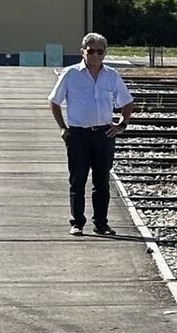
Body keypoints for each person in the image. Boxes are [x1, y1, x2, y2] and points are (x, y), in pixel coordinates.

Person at [48, 33, 134, 237]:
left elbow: (127, 102)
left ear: (105, 53)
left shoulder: (111, 75)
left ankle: (101, 223)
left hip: (104, 135)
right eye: (91, 50)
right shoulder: (70, 74)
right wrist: (63, 128)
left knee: (102, 181)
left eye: (100, 51)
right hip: (78, 135)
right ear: (83, 52)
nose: (95, 55)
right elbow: (54, 101)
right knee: (77, 181)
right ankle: (77, 222)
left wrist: (122, 124)